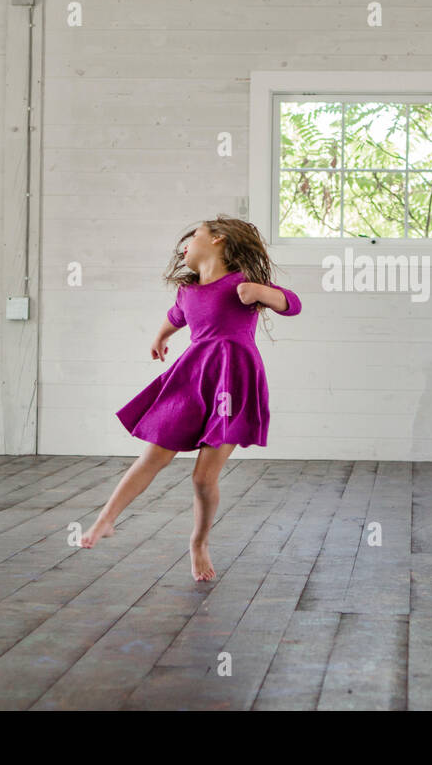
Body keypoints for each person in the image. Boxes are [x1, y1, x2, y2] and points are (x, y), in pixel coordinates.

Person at [82, 216, 302, 582]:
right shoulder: (188, 292)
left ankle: (199, 541)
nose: (184, 246)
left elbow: (292, 304)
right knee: (153, 455)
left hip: (233, 382)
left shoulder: (242, 286)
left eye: (193, 237)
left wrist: (263, 294)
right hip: (192, 378)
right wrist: (160, 337)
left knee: (203, 478)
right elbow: (175, 317)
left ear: (217, 240)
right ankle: (106, 519)